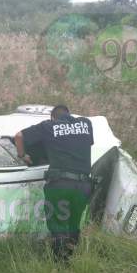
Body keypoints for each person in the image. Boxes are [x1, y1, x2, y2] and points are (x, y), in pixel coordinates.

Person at [14, 105, 94, 261]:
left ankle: (60, 265)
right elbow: (78, 145)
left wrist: (23, 155)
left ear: (52, 117)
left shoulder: (48, 126)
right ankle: (71, 259)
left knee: (58, 227)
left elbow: (18, 136)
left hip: (60, 185)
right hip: (83, 186)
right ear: (69, 114)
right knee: (73, 226)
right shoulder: (86, 124)